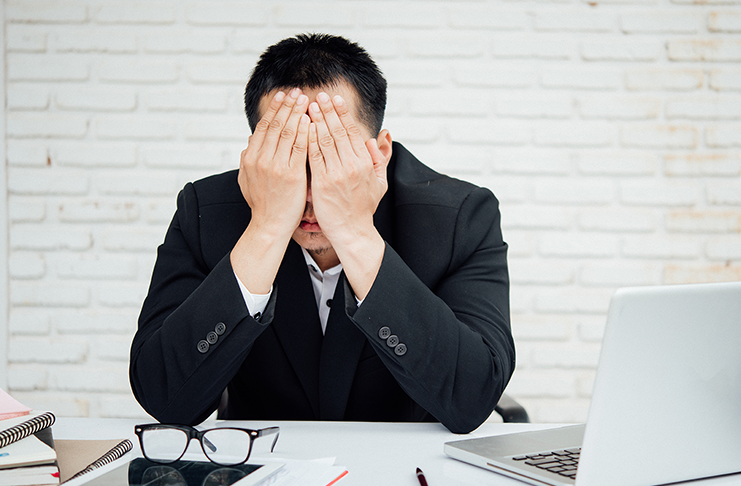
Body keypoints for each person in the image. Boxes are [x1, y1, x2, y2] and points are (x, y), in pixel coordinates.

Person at [130, 34, 514, 434]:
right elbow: (164, 397)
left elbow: (473, 396)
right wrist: (266, 228)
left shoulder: (459, 217)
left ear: (380, 153)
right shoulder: (204, 212)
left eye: (334, 157)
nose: (311, 195)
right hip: (262, 459)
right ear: (258, 153)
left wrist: (354, 231)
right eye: (289, 156)